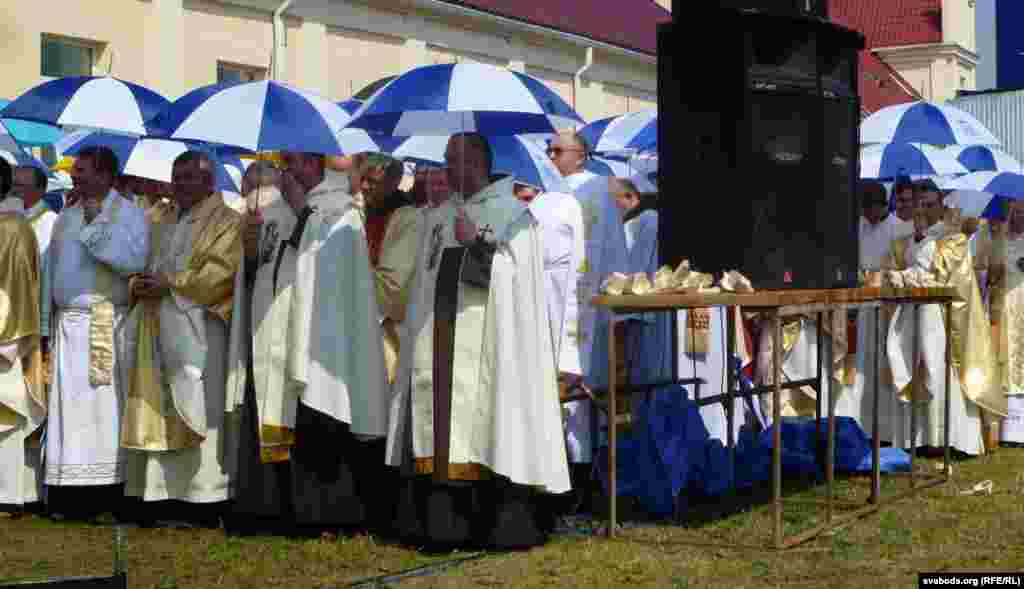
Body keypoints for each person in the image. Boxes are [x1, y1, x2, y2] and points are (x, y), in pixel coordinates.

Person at [386, 132, 570, 549]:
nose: (449, 168)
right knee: (438, 424)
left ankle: (498, 522)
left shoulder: (511, 214)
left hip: (489, 344)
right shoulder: (438, 216)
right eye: (446, 160)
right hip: (439, 338)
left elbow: (515, 282)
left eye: (457, 160)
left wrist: (479, 247)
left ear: (480, 163)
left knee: (487, 422)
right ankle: (439, 525)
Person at [229, 151, 388, 536]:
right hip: (269, 325)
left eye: (299, 163)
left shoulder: (340, 211)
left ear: (316, 165)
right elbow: (258, 268)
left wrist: (303, 210)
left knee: (316, 418)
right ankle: (267, 506)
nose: (291, 170)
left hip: (316, 334)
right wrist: (249, 249)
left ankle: (326, 513)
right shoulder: (269, 208)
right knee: (269, 413)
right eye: (287, 163)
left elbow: (324, 264)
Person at [121, 151, 243, 526]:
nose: (182, 184)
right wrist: (138, 283)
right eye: (178, 177)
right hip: (157, 324)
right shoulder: (161, 216)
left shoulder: (228, 221)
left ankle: (201, 497)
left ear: (209, 180)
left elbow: (220, 274)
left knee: (197, 408)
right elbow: (140, 261)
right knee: (157, 407)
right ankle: (158, 496)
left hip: (199, 329)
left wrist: (170, 285)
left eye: (191, 177)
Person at [45, 146, 149, 520]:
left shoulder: (130, 213)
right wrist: (45, 320)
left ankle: (104, 495)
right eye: (75, 171)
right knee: (69, 414)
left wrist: (95, 227)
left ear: (105, 175)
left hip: (103, 322)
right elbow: (51, 269)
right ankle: (66, 494)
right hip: (68, 324)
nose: (75, 176)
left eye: (83, 171)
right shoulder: (65, 215)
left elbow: (133, 261)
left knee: (102, 414)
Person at [884, 180, 1005, 455]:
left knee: (938, 373)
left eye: (929, 204)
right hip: (913, 314)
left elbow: (934, 275)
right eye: (919, 204)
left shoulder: (952, 238)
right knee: (914, 367)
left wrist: (903, 277)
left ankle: (946, 437)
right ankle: (917, 438)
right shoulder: (915, 238)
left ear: (941, 205)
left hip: (941, 317)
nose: (923, 209)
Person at [547, 130, 630, 509]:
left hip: (588, 306)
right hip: (552, 299)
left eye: (558, 149)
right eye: (548, 149)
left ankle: (583, 479)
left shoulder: (597, 190)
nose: (551, 155)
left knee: (582, 396)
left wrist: (617, 300)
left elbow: (612, 245)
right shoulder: (545, 190)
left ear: (580, 156)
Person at [0, 159, 47, 513]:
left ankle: (11, 494)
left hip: (6, 337)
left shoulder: (14, 228)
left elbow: (17, 290)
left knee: (6, 417)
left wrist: (5, 336)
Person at [12, 166, 58, 357]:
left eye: (20, 186)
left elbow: (47, 274)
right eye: (12, 184)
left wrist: (44, 325)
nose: (14, 190)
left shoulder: (51, 223)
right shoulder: (10, 217)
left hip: (31, 312)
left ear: (40, 191)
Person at [990, 201, 1024, 446]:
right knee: (1004, 359)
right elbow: (986, 273)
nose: (1019, 216)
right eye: (1015, 212)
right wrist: (995, 271)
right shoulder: (999, 241)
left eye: (1023, 212)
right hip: (1003, 307)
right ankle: (1005, 428)